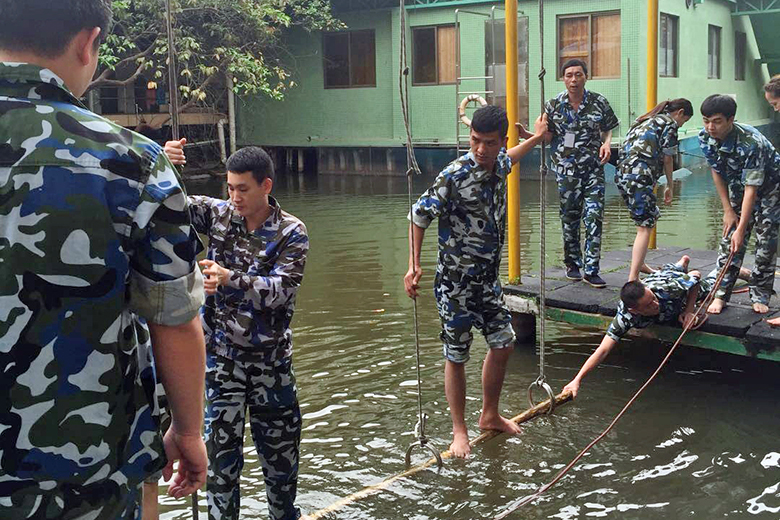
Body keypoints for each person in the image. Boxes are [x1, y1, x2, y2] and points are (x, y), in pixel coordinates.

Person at [0, 0, 208, 518]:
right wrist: (188, 431)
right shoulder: (132, 162)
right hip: (87, 473)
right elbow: (173, 320)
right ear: (88, 43)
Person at [165, 140, 308, 520]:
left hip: (271, 365)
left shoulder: (291, 232)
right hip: (222, 362)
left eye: (242, 189)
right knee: (219, 464)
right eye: (229, 188)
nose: (234, 197)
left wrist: (230, 279)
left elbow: (281, 291)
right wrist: (164, 163)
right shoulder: (219, 215)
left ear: (266, 185)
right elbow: (168, 203)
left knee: (281, 466)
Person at [403, 105, 547, 458]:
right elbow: (418, 216)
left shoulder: (499, 163)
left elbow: (513, 156)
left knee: (504, 343)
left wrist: (539, 137)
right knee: (457, 355)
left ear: (502, 141)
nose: (481, 149)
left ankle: (489, 414)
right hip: (454, 284)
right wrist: (413, 265)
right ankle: (459, 430)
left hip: (487, 281)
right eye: (475, 141)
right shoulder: (454, 175)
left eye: (489, 143)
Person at [563, 256, 708, 398]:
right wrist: (577, 380)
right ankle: (679, 265)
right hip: (660, 282)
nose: (655, 305)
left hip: (668, 285)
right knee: (669, 272)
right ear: (634, 311)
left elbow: (696, 277)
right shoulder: (625, 317)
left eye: (653, 299)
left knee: (705, 287)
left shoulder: (668, 288)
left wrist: (689, 311)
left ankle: (681, 265)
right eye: (648, 305)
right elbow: (603, 350)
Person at [699, 95, 780, 316]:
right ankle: (720, 294)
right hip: (738, 187)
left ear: (731, 119)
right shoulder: (705, 137)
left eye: (717, 121)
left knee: (765, 241)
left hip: (770, 189)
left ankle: (760, 294)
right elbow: (717, 171)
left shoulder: (752, 143)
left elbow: (752, 189)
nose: (710, 127)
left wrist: (742, 229)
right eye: (706, 120)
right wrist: (727, 210)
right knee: (729, 239)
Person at [545, 58, 619, 288]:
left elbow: (609, 128)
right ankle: (572, 264)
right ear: (563, 79)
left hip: (593, 169)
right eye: (569, 75)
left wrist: (607, 143)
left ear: (586, 77)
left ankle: (592, 269)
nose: (574, 80)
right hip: (566, 171)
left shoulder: (599, 102)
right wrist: (527, 135)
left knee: (594, 215)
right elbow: (547, 136)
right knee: (570, 218)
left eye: (578, 74)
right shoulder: (553, 105)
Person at [616, 99, 693, 281]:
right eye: (685, 121)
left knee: (648, 217)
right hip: (640, 176)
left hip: (622, 174)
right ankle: (633, 278)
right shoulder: (670, 124)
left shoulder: (645, 120)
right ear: (680, 113)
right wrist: (670, 185)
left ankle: (640, 263)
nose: (682, 125)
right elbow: (668, 158)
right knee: (645, 226)